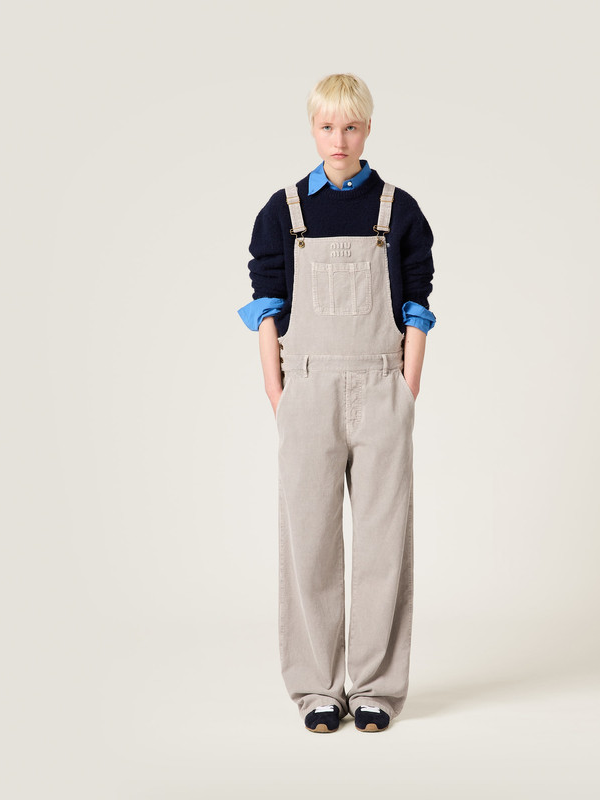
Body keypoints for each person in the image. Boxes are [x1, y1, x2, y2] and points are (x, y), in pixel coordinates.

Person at [238, 73, 436, 733]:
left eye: (351, 127)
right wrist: (279, 393)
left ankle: (376, 687)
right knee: (309, 542)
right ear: (313, 129)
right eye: (327, 126)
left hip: (382, 387)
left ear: (368, 129)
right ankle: (317, 687)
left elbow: (416, 305)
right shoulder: (284, 211)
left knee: (383, 542)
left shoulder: (399, 211)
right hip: (307, 391)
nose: (339, 139)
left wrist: (406, 389)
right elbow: (267, 307)